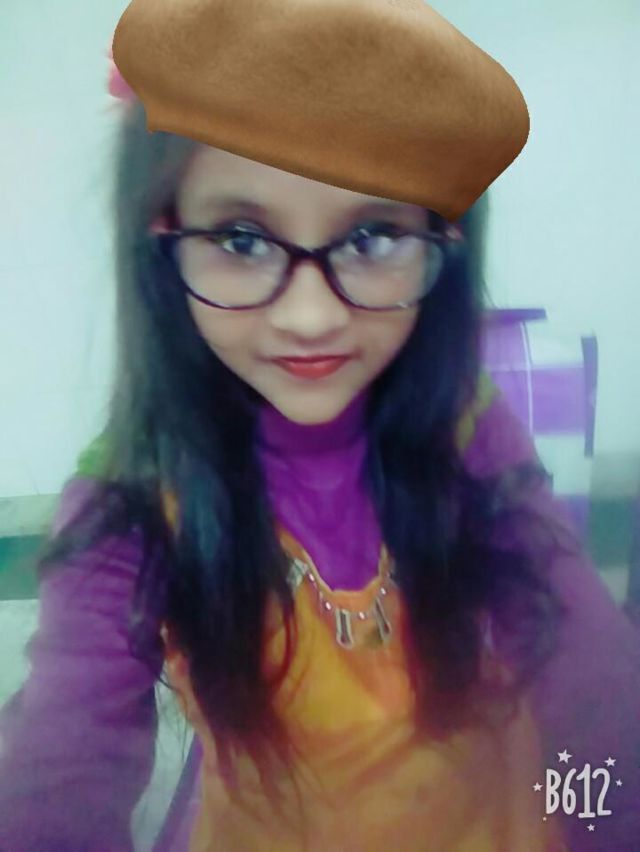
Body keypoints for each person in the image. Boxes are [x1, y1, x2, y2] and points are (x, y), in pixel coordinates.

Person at [2, 25, 639, 852]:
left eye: (374, 237)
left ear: (442, 240)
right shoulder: (132, 492)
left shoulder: (467, 422)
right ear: (163, 239)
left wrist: (605, 817)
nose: (311, 317)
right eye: (241, 239)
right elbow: (62, 759)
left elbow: (576, 649)